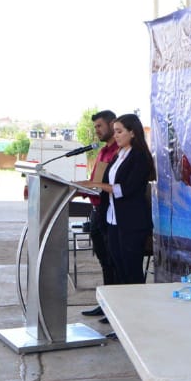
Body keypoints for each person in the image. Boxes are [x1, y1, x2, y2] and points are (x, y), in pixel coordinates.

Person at [81, 113, 155, 287]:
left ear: (133, 133)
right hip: (112, 220)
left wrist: (94, 184)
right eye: (114, 131)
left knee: (131, 273)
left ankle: (135, 312)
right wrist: (86, 186)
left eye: (119, 131)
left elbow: (125, 189)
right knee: (117, 269)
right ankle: (115, 311)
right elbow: (107, 183)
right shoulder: (119, 154)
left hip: (131, 222)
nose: (115, 136)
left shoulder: (139, 157)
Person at [82, 110, 121, 320]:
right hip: (96, 211)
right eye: (95, 127)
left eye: (99, 126)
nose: (97, 130)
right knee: (104, 260)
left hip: (110, 211)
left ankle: (114, 307)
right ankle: (105, 303)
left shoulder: (119, 152)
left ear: (111, 124)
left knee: (113, 259)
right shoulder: (103, 151)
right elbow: (95, 180)